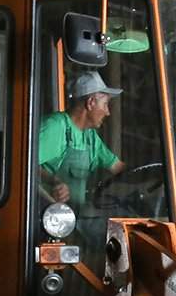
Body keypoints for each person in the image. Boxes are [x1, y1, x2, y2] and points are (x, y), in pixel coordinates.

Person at [36, 71, 127, 206]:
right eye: (105, 104)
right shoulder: (55, 126)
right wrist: (54, 181)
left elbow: (118, 168)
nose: (108, 112)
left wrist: (159, 174)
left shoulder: (90, 137)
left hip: (75, 218)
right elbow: (24, 166)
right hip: (48, 217)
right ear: (90, 103)